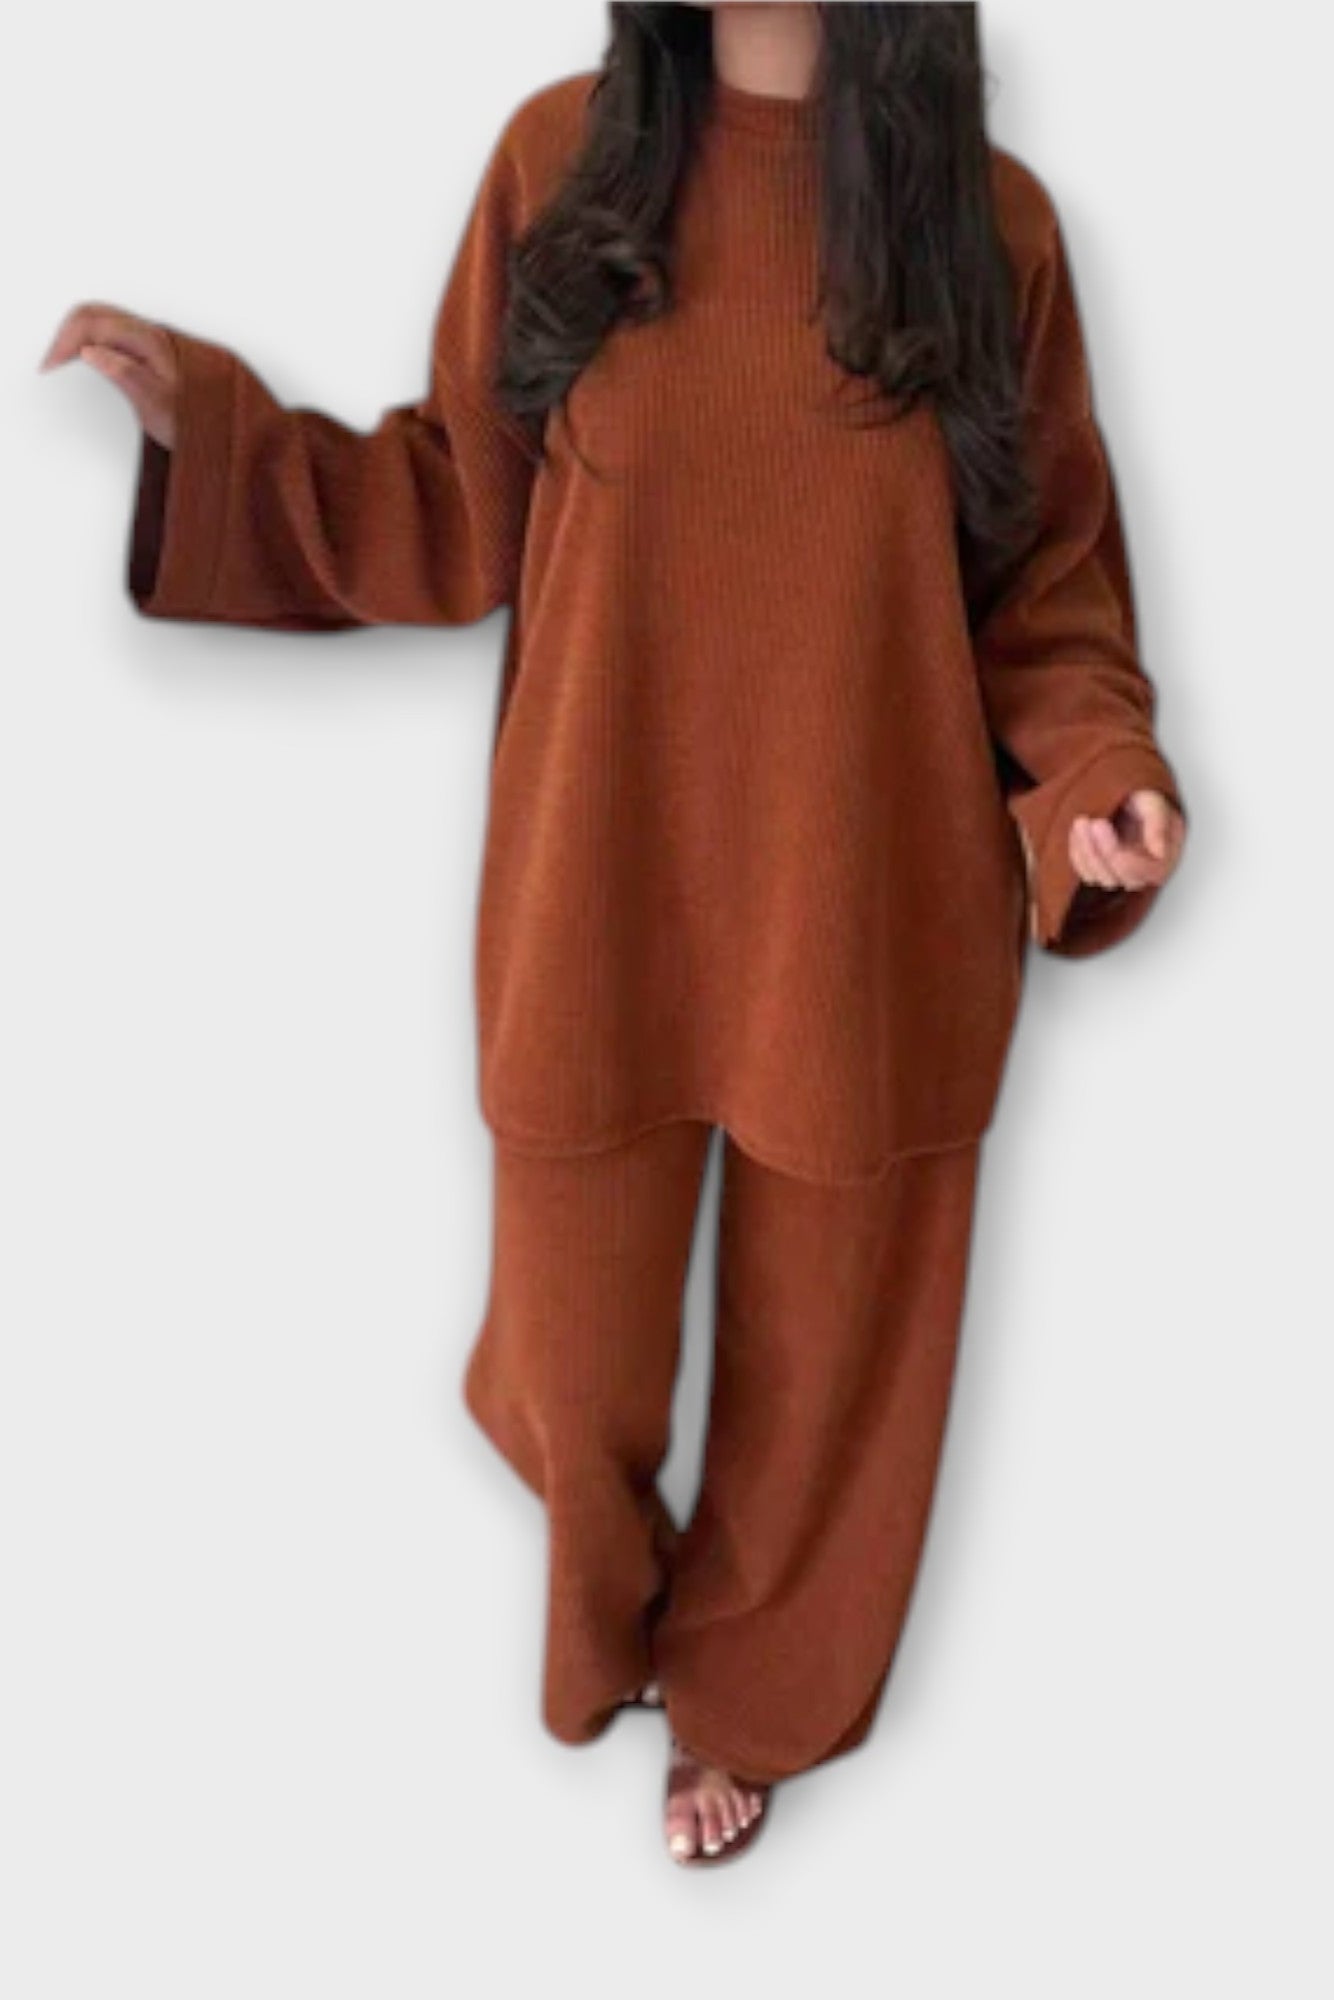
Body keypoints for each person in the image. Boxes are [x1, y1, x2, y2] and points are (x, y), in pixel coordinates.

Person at [38, 1, 1188, 1868]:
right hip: (601, 883)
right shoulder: (557, 165)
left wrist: (1095, 784)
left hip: (873, 900)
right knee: (566, 1367)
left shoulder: (990, 225)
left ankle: (743, 1697)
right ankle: (615, 1613)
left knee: (831, 1379)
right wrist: (219, 440)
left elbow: (1040, 587)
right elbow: (454, 504)